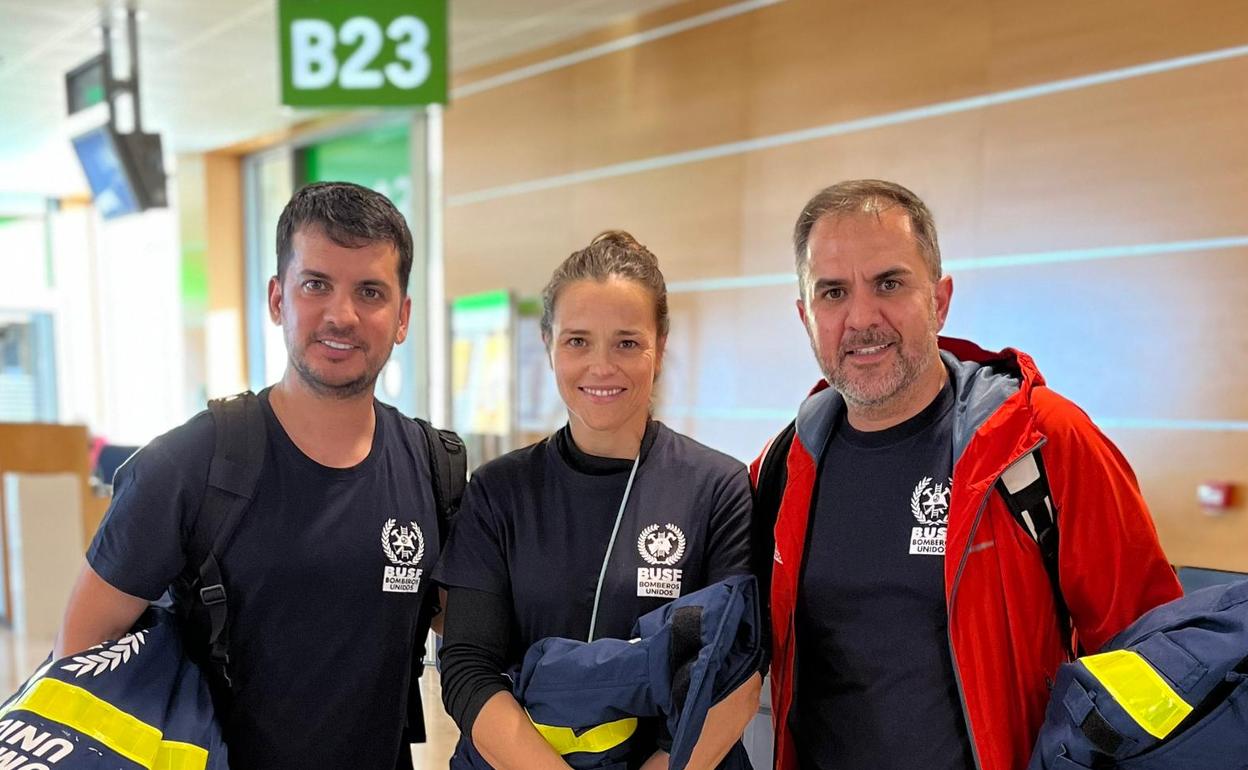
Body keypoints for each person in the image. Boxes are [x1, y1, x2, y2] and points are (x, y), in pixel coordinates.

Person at [754, 179, 1183, 770]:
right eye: (832, 292)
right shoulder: (783, 466)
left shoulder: (1039, 442)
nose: (861, 317)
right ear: (806, 317)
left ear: (940, 298)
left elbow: (1156, 657)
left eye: (889, 283)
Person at [55, 181, 444, 770]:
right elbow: (79, 661)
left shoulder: (434, 468)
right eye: (316, 284)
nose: (342, 314)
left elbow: (473, 639)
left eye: (370, 291)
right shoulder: (186, 466)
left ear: (402, 316)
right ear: (277, 299)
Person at [434, 231, 762, 770]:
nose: (601, 367)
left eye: (627, 342)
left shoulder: (715, 487)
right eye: (578, 341)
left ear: (661, 345)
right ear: (548, 345)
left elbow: (736, 677)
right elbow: (469, 667)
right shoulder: (498, 491)